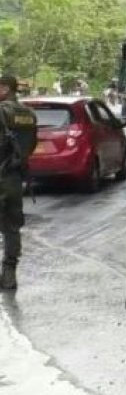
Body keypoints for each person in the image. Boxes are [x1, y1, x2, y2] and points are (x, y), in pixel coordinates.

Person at [0, 75, 38, 291]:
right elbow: (31, 146)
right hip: (15, 178)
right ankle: (9, 275)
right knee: (12, 228)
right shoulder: (29, 114)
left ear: (5, 88)